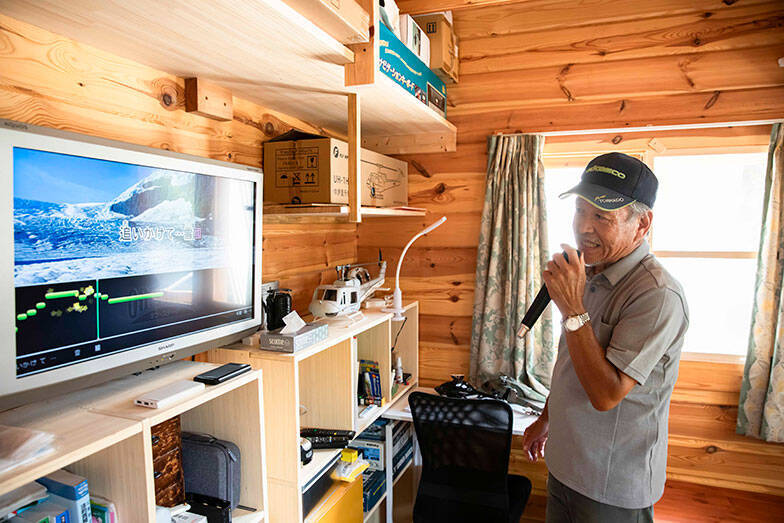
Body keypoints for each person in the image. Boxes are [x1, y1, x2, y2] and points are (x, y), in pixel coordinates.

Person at [521, 152, 689, 522]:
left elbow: (606, 394)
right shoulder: (591, 274)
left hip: (610, 483)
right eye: (581, 210)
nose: (584, 227)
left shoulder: (657, 295)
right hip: (565, 463)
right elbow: (571, 362)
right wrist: (546, 418)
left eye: (602, 216)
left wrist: (571, 308)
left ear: (641, 224)